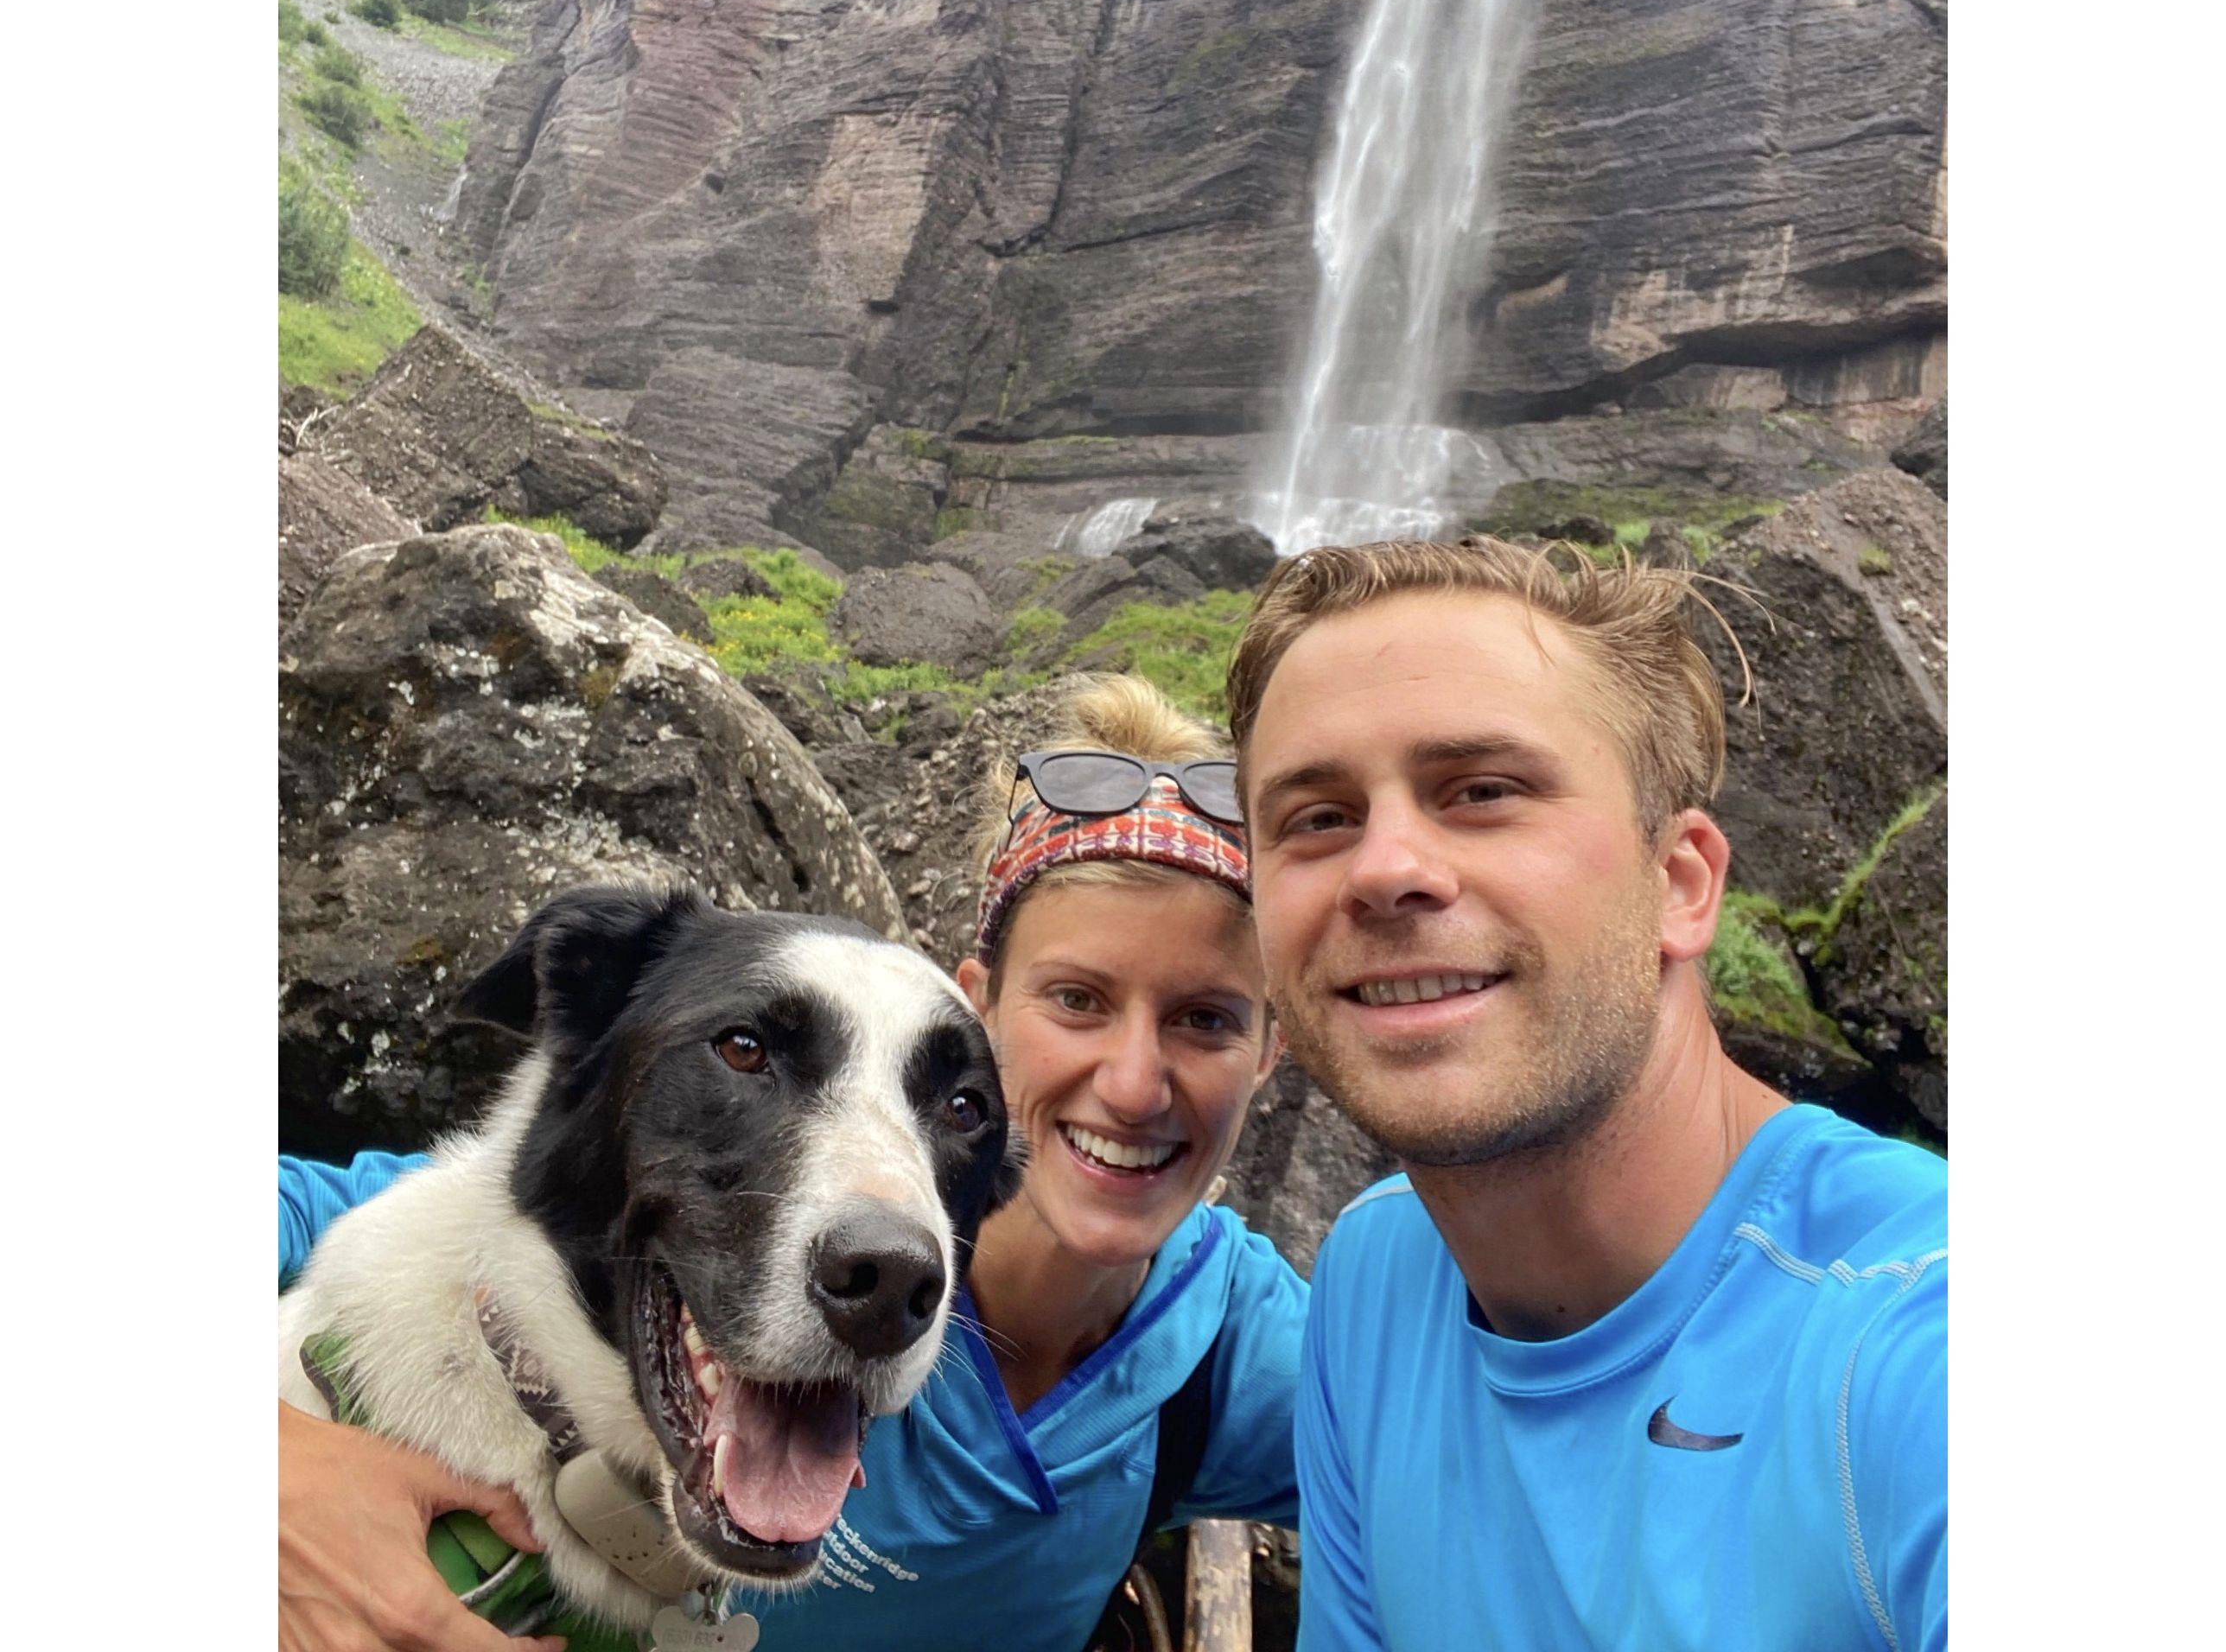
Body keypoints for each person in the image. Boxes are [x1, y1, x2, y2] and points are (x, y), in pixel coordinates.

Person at [280, 672, 1306, 1652]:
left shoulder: (1232, 1348)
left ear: (1273, 1049)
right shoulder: (500, 1230)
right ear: (978, 1007)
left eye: (1205, 1019)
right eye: (1076, 998)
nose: (1131, 1082)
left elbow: (1456, 1444)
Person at [1222, 537, 1947, 1652]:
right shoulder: (1374, 1285)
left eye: (1483, 792)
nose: (1385, 867)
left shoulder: (1915, 1334)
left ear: (1681, 882)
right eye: (1317, 817)